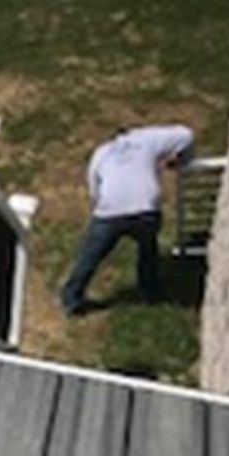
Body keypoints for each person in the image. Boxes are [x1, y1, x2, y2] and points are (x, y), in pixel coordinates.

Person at [62, 124, 194, 316]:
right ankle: (150, 291)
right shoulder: (148, 140)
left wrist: (102, 203)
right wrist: (183, 160)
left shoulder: (102, 152)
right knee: (148, 250)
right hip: (146, 209)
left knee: (90, 256)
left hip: (110, 211)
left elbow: (94, 185)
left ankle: (71, 299)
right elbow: (186, 135)